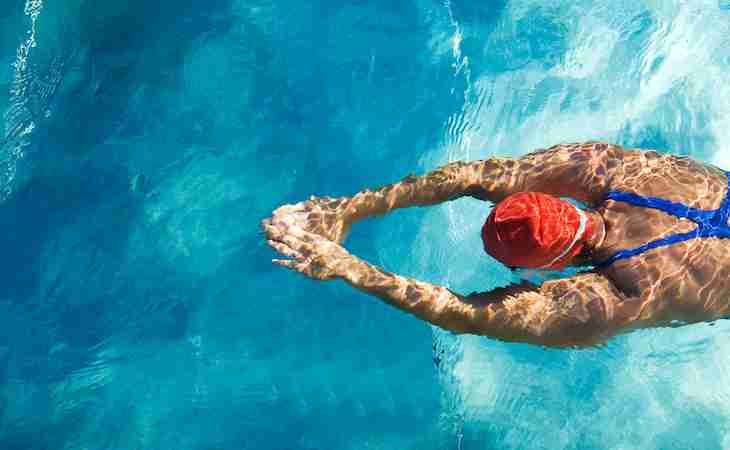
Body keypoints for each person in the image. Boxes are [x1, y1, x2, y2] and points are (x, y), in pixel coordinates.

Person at [262, 142, 730, 347]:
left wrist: (345, 266)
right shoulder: (616, 170)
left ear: (555, 264)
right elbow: (474, 175)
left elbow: (464, 314)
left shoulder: (619, 297)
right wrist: (347, 209)